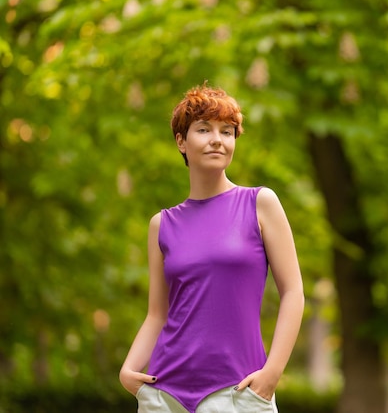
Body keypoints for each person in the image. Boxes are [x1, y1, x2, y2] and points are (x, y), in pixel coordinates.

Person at [119, 83, 305, 413]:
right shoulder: (161, 224)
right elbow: (157, 313)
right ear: (181, 141)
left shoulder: (260, 203)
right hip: (165, 395)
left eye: (227, 131)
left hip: (238, 392)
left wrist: (271, 375)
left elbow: (293, 293)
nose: (217, 139)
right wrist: (128, 371)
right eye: (204, 129)